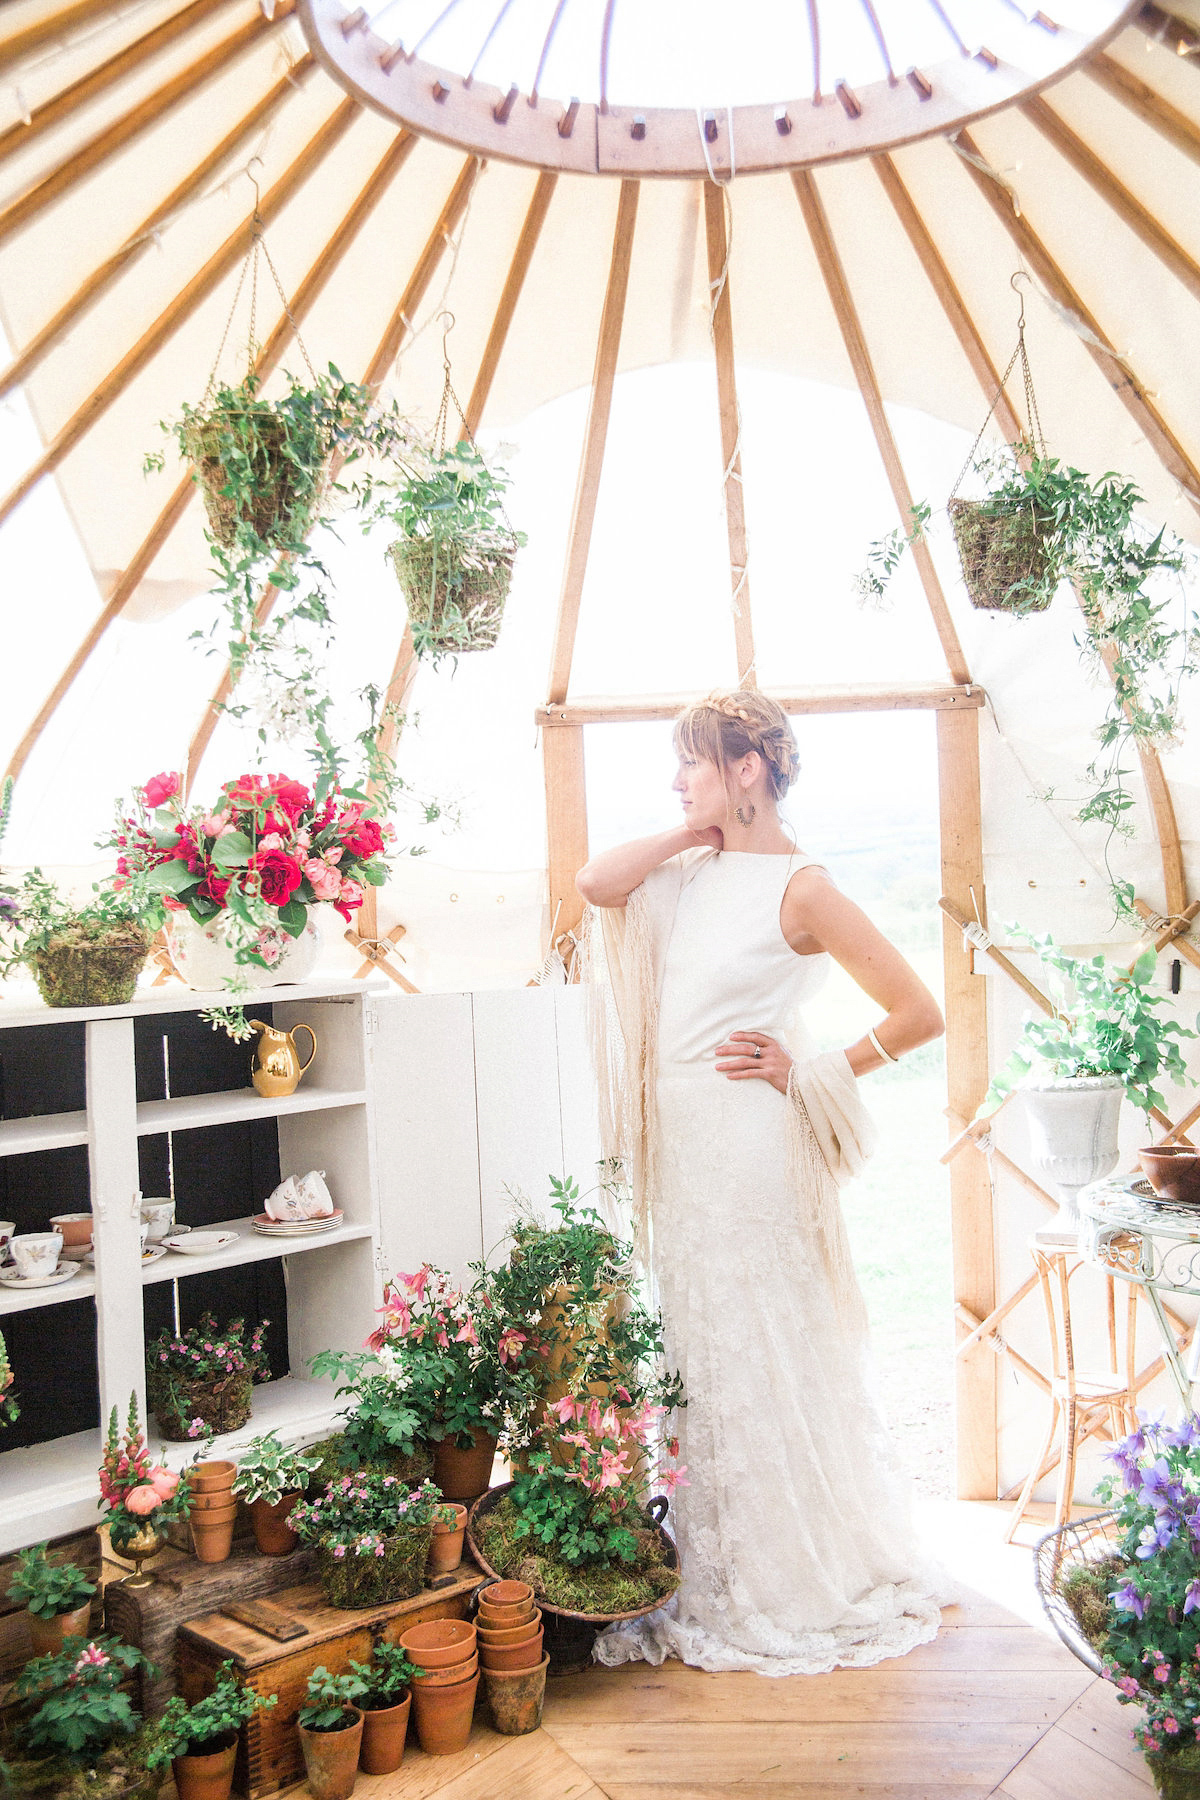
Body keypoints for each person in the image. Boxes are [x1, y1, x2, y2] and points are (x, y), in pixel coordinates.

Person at [576, 689, 955, 1675]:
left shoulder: (804, 886)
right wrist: (686, 828)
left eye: (690, 764)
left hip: (750, 1145)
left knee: (763, 1344)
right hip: (688, 1151)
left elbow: (918, 1012)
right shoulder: (690, 871)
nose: (676, 780)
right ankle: (713, 1569)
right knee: (703, 1346)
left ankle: (788, 1576)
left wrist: (811, 1069)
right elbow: (594, 882)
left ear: (746, 768)